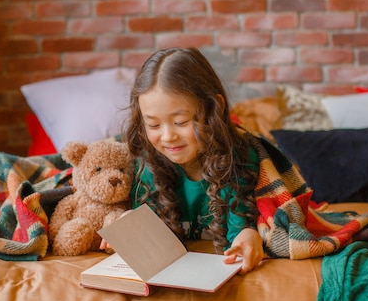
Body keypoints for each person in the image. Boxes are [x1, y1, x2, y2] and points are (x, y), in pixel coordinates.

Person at [106, 47, 265, 275]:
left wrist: (248, 236)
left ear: (215, 108)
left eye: (181, 122)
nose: (168, 136)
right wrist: (131, 223)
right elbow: (153, 242)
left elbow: (239, 233)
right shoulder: (147, 161)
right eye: (153, 125)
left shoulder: (239, 158)